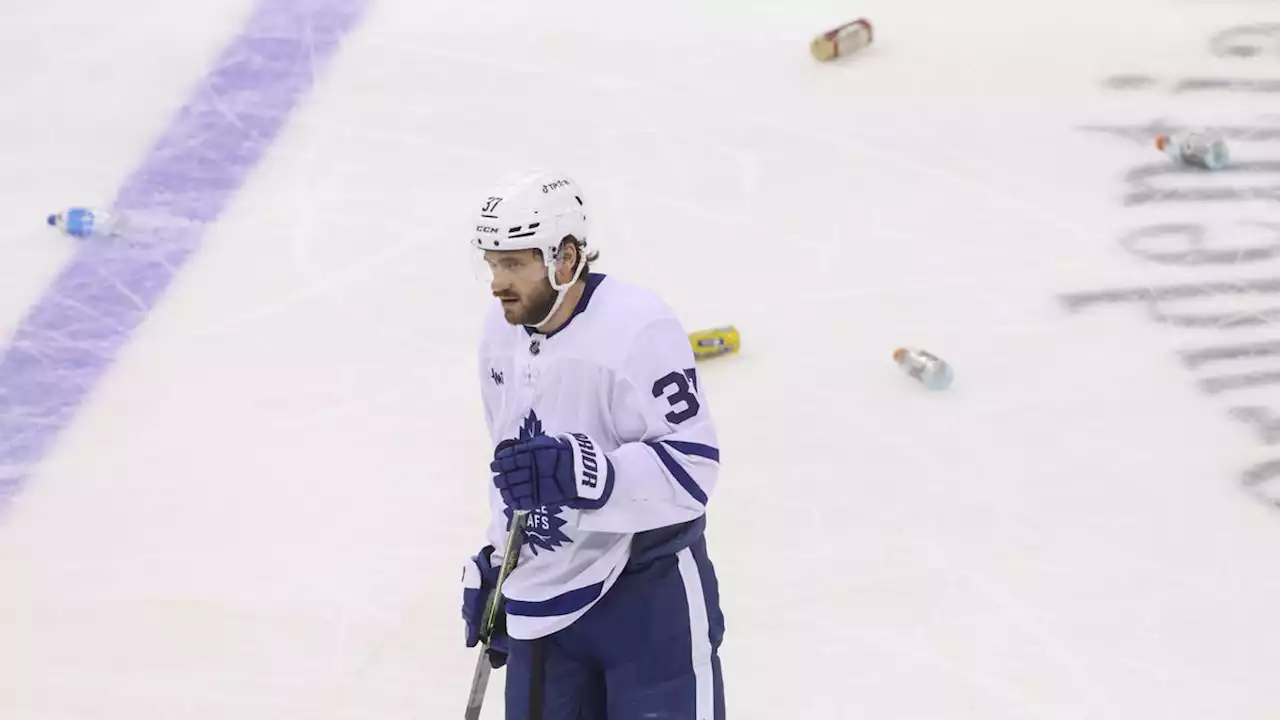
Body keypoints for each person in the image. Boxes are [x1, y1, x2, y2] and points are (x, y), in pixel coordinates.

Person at [460, 169, 726, 719]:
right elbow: (510, 466)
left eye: (513, 263)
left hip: (648, 598)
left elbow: (694, 469)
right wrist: (496, 560)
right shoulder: (498, 329)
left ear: (565, 257)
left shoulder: (637, 327)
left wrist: (593, 476)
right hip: (546, 601)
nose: (497, 282)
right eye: (491, 263)